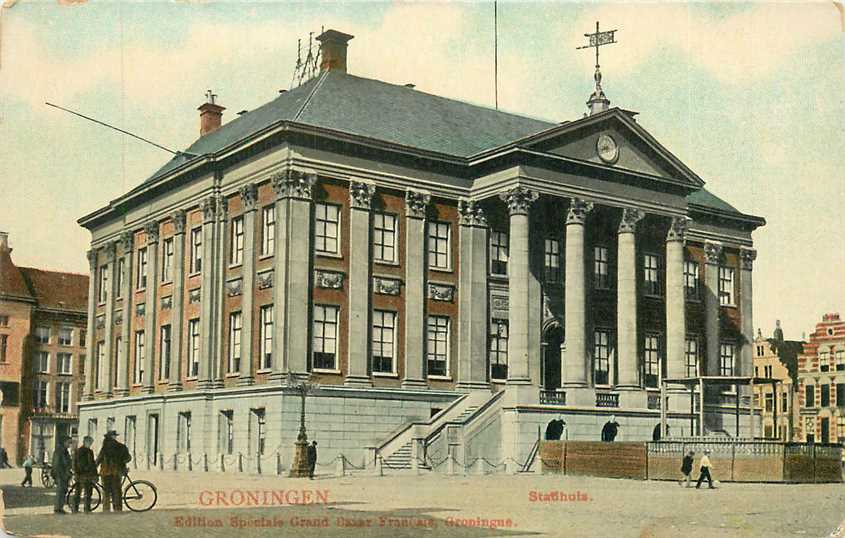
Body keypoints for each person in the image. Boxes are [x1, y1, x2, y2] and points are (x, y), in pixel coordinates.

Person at [96, 430, 131, 512]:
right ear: (114, 437)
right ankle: (117, 509)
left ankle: (106, 509)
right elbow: (128, 458)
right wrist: (122, 462)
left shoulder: (104, 448)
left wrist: (93, 468)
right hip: (116, 472)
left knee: (106, 492)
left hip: (105, 472)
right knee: (117, 491)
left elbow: (99, 459)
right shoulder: (121, 446)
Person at [72, 436, 97, 513]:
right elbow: (76, 464)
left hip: (87, 475)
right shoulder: (79, 451)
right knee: (78, 492)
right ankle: (75, 508)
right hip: (81, 474)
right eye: (89, 443)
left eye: (91, 443)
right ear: (85, 442)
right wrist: (77, 472)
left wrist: (95, 474)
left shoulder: (90, 452)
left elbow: (93, 464)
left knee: (88, 492)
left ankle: (87, 508)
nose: (90, 444)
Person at [51, 437, 73, 514]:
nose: (69, 445)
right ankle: (57, 508)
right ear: (64, 442)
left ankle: (60, 507)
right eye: (68, 442)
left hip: (65, 474)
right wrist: (57, 474)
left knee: (63, 490)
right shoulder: (59, 451)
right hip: (60, 474)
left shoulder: (65, 451)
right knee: (60, 490)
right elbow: (56, 464)